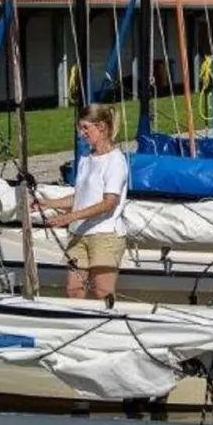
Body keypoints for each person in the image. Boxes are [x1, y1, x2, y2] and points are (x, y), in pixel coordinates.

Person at [41, 104, 128, 304]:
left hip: (105, 234)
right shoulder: (86, 160)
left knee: (102, 291)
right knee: (74, 289)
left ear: (102, 127)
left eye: (86, 128)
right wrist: (48, 203)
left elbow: (108, 203)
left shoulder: (115, 161)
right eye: (81, 128)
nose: (82, 134)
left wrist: (71, 216)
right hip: (79, 233)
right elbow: (81, 197)